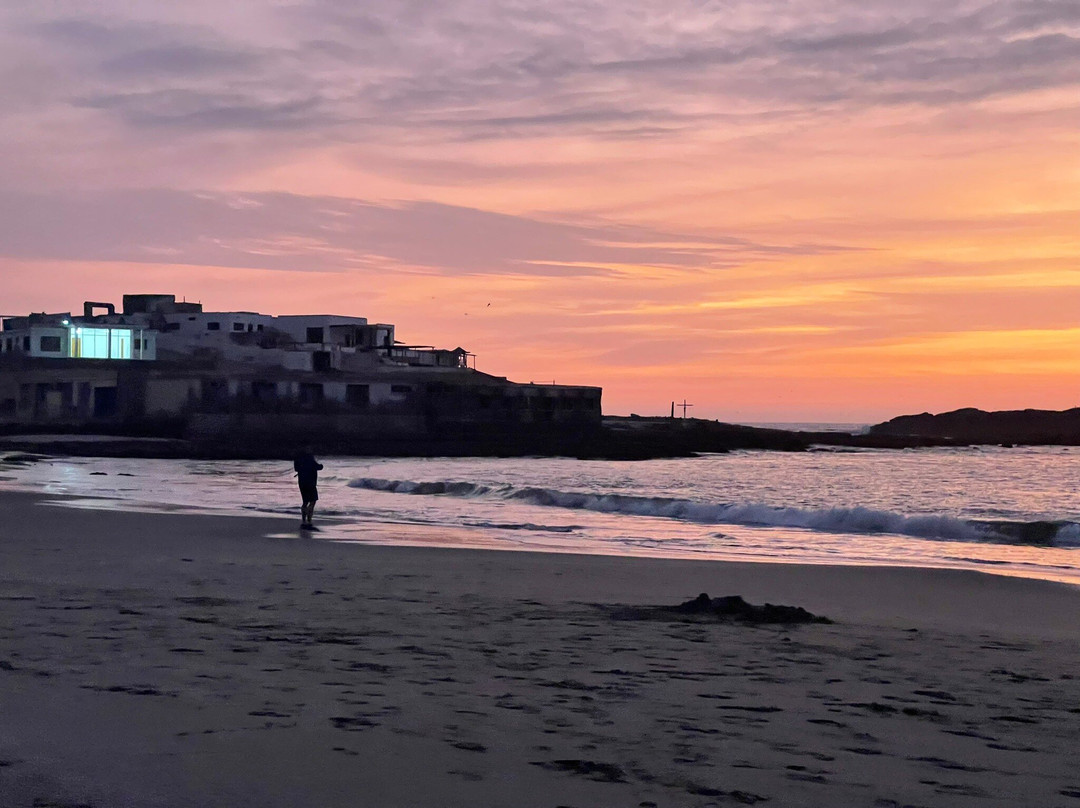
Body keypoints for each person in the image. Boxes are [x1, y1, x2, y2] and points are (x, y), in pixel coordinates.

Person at [293, 448, 323, 529]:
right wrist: (321, 465)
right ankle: (309, 520)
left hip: (302, 483)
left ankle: (304, 520)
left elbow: (296, 469)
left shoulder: (298, 458)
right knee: (313, 501)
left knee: (305, 501)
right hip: (311, 483)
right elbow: (319, 467)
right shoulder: (310, 458)